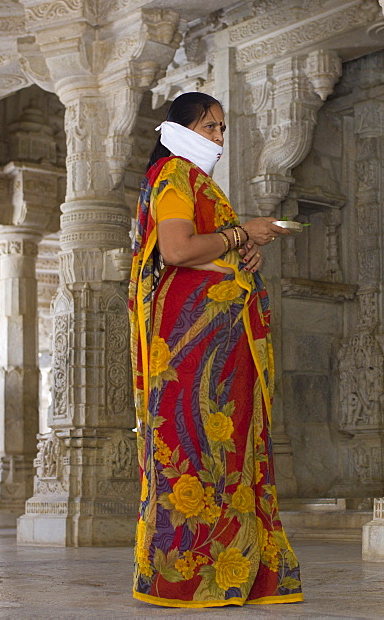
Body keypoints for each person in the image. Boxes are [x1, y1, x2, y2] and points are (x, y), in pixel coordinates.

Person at [128, 92, 300, 608]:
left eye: (223, 129)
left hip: (214, 341)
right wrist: (239, 232)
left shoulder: (195, 181)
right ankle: (188, 575)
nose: (219, 140)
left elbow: (205, 248)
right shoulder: (176, 176)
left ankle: (234, 570)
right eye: (209, 127)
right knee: (198, 449)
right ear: (179, 129)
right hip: (193, 344)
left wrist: (242, 249)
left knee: (226, 449)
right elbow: (177, 250)